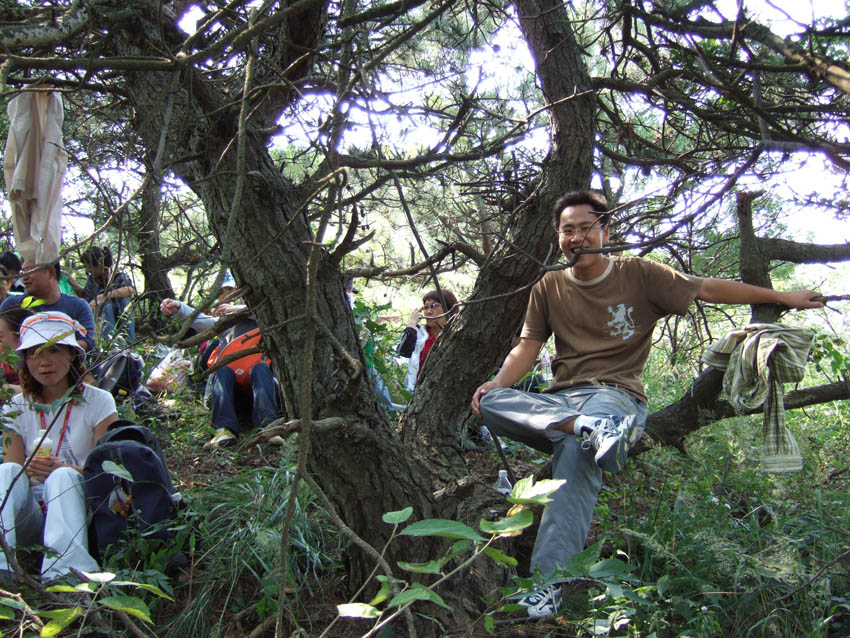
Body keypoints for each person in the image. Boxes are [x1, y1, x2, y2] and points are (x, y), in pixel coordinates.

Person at [471, 190, 823, 618]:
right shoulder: (550, 285)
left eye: (585, 227)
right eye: (567, 230)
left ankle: (548, 585)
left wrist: (782, 297)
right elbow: (528, 346)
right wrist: (497, 383)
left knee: (577, 454)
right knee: (492, 401)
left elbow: (706, 288)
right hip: (562, 403)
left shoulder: (638, 273)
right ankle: (583, 428)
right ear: (558, 236)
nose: (576, 237)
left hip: (614, 397)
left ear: (606, 230)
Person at [0, 312, 117, 584]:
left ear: (72, 354)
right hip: (31, 516)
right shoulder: (16, 406)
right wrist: (29, 469)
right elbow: (13, 469)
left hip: (79, 511)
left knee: (63, 476)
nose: (44, 361)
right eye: (34, 353)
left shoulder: (99, 402)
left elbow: (104, 472)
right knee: (6, 471)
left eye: (54, 350)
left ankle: (65, 572)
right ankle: (3, 565)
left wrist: (64, 468)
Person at [159, 274, 278, 449]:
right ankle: (223, 431)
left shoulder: (270, 322)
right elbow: (204, 322)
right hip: (230, 397)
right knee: (223, 370)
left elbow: (269, 311)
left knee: (260, 368)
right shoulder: (230, 322)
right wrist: (179, 308)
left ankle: (270, 428)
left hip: (262, 395)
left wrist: (236, 309)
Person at [0, 260, 95, 352]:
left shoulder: (78, 306)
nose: (24, 277)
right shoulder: (13, 304)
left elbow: (89, 341)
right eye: (23, 272)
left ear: (50, 272)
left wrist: (52, 348)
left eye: (30, 270)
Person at [68, 247, 136, 342]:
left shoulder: (117, 274)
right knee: (104, 305)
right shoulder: (93, 279)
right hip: (103, 319)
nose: (87, 270)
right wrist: (72, 282)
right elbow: (87, 296)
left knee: (123, 302)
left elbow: (129, 289)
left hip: (119, 314)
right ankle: (110, 343)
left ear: (99, 264)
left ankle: (128, 342)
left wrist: (104, 296)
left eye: (89, 267)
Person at [397, 289, 459, 392]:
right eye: (426, 307)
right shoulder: (419, 334)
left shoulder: (457, 336)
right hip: (418, 391)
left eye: (434, 306)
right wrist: (412, 324)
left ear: (449, 308)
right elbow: (403, 352)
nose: (428, 312)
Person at [0, 307, 33, 394]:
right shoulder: (4, 364)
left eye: (0, 338)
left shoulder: (41, 365)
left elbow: (36, 393)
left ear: (20, 337)